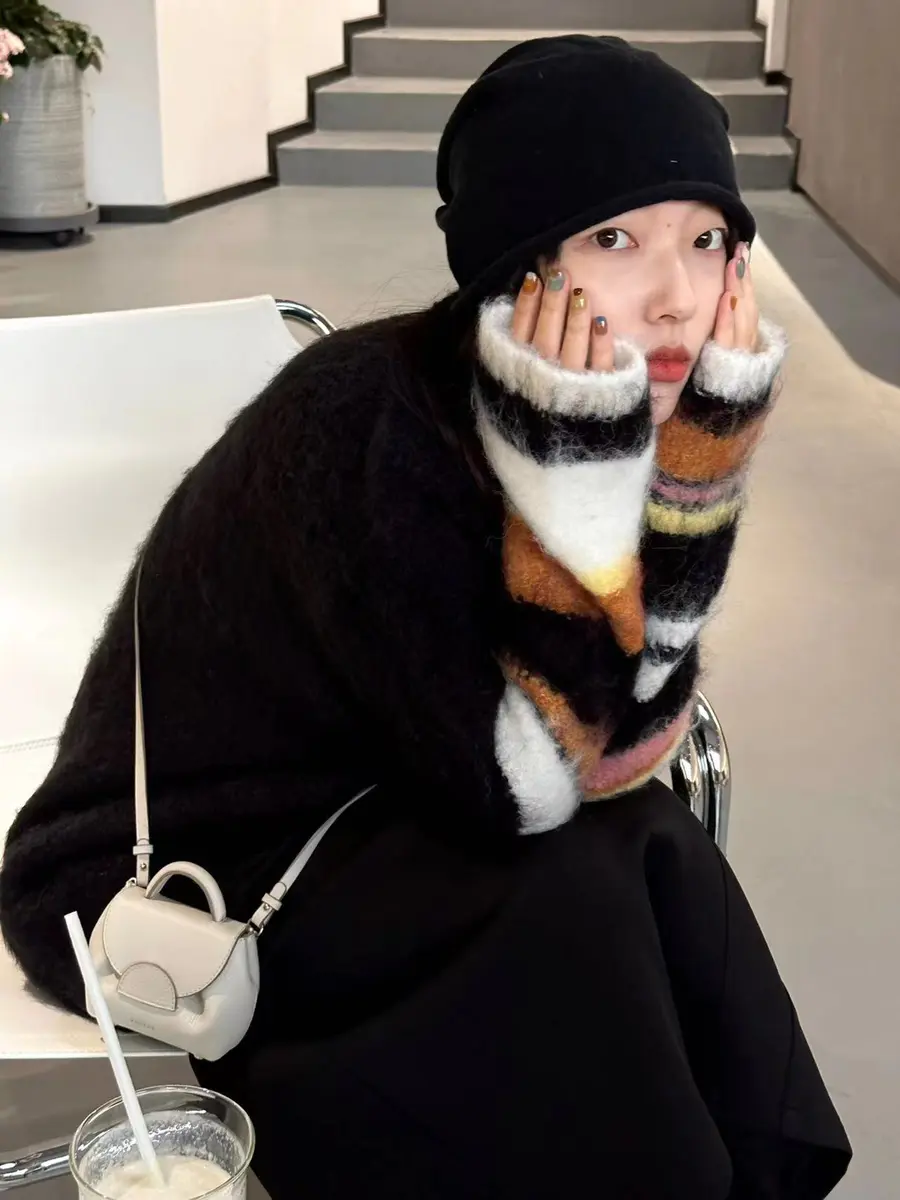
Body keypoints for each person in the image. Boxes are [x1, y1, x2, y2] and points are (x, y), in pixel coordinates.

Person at [0, 35, 850, 1199]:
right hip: (178, 868)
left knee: (649, 842)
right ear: (519, 262)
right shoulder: (368, 425)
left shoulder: (593, 403)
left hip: (383, 792)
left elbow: (630, 745)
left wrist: (697, 474)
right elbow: (528, 787)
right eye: (615, 239)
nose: (678, 297)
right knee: (574, 893)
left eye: (708, 240)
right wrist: (582, 474)